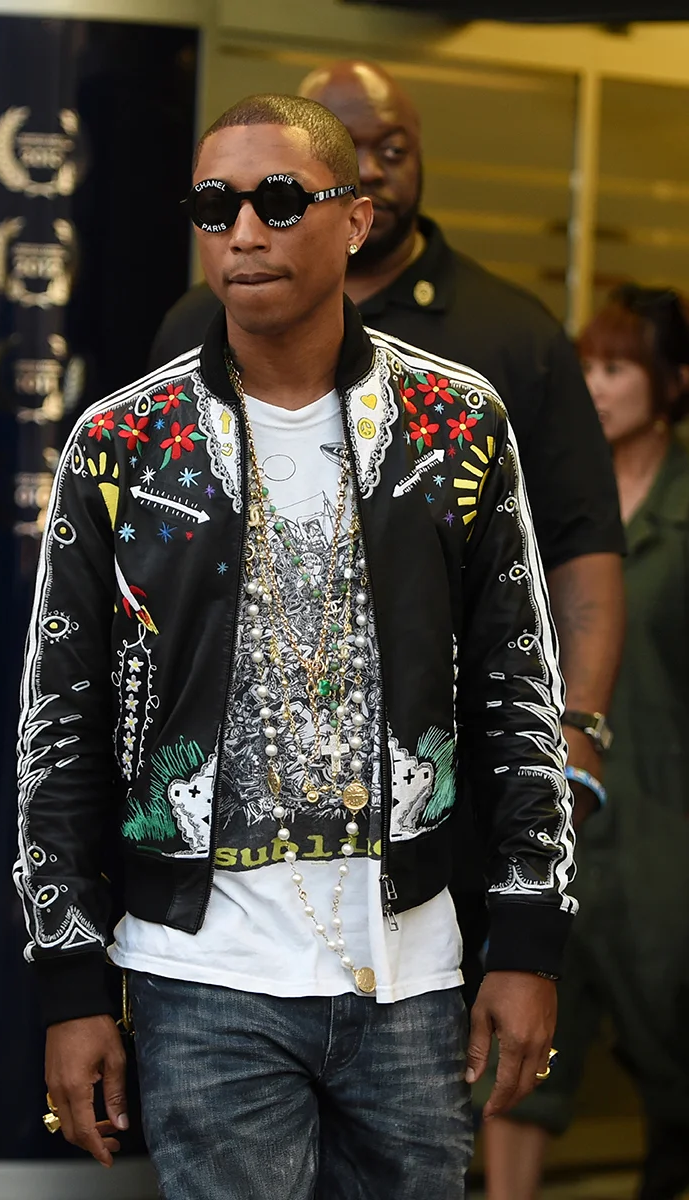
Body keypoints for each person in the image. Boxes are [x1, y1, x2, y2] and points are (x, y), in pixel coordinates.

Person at [15, 94, 576, 1199]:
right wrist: (69, 979)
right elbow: (58, 725)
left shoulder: (455, 423)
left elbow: (516, 691)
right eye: (213, 206)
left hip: (410, 968)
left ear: (354, 219)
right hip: (197, 972)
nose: (243, 233)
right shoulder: (123, 443)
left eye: (278, 201)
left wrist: (527, 939)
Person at [147, 61, 625, 1001]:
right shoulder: (196, 326)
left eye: (392, 148)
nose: (372, 164)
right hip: (236, 833)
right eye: (343, 147)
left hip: (450, 785)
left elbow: (578, 551)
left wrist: (574, 731)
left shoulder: (508, 335)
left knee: (467, 1026)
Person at [482, 286, 689, 1200]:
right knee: (517, 1062)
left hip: (664, 831)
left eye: (618, 367)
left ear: (671, 382)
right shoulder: (544, 501)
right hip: (553, 820)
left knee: (672, 1060)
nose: (596, 386)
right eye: (587, 367)